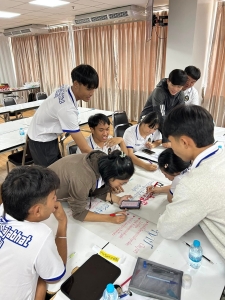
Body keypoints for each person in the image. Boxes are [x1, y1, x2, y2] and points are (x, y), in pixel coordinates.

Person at [157, 105, 225, 260]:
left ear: (184, 142)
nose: (171, 148)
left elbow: (167, 229)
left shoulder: (194, 184)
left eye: (171, 142)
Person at [0, 166, 67, 300]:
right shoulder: (41, 236)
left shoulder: (3, 208)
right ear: (37, 211)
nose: (56, 200)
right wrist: (62, 223)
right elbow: (55, 277)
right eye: (53, 197)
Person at [28, 64, 99, 167]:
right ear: (76, 84)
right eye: (88, 89)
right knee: (50, 175)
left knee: (57, 169)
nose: (92, 93)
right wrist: (102, 158)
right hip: (41, 140)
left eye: (94, 89)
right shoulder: (67, 109)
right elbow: (84, 148)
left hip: (44, 133)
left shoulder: (66, 88)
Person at [49, 150, 134, 224]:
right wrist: (109, 218)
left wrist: (118, 199)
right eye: (121, 183)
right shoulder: (83, 180)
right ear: (111, 176)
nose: (120, 186)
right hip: (44, 197)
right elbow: (79, 213)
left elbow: (96, 188)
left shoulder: (104, 161)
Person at [139, 69, 188, 148]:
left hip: (163, 124)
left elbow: (181, 115)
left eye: (179, 86)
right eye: (173, 85)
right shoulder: (159, 92)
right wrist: (166, 139)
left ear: (182, 86)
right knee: (146, 147)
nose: (175, 89)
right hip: (148, 121)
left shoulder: (181, 94)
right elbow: (160, 116)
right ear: (168, 81)